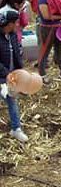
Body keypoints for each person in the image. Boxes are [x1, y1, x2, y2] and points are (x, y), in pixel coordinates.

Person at [0, 10, 28, 142]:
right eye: (15, 22)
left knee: (11, 100)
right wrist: (6, 74)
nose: (17, 25)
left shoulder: (12, 36)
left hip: (11, 76)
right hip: (3, 76)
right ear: (9, 23)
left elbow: (17, 54)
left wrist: (20, 72)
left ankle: (16, 129)